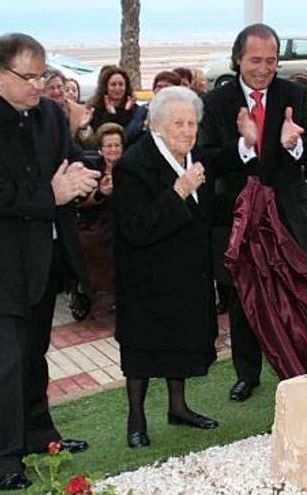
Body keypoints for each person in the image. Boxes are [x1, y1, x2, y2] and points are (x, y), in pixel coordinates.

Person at [0, 33, 100, 490]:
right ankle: (5, 456)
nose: (37, 85)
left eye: (41, 75)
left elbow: (67, 162)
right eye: (27, 77)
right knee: (7, 365)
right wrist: (50, 194)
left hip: (44, 258)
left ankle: (40, 436)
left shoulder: (49, 113)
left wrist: (86, 172)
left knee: (35, 355)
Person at [197, 23, 307, 402]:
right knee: (243, 300)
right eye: (256, 60)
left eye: (271, 61)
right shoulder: (215, 103)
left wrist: (295, 145)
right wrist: (243, 147)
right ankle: (246, 374)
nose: (264, 68)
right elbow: (204, 161)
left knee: (297, 295)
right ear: (238, 58)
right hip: (239, 218)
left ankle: (302, 368)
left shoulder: (294, 94)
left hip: (288, 214)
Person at [114, 86, 220, 449]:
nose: (188, 131)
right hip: (147, 277)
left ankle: (179, 408)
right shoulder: (132, 164)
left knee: (181, 342)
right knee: (142, 351)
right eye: (179, 123)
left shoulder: (195, 159)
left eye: (192, 123)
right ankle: (136, 420)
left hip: (187, 275)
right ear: (157, 127)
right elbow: (136, 228)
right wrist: (177, 192)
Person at [76, 123, 123, 320]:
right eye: (109, 146)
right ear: (100, 150)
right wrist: (101, 193)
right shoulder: (92, 170)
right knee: (92, 241)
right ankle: (89, 291)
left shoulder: (131, 167)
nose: (113, 150)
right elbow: (81, 202)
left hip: (123, 221)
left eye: (117, 145)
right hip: (97, 222)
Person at [80, 66, 137, 148]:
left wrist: (126, 112)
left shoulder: (135, 109)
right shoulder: (95, 109)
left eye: (121, 84)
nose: (117, 88)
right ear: (106, 87)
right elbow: (96, 140)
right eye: (113, 85)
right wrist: (110, 115)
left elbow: (130, 136)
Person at [44, 71, 93, 141]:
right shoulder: (37, 110)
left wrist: (84, 128)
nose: (56, 91)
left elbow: (89, 143)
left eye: (59, 87)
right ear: (43, 91)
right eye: (51, 88)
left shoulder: (78, 111)